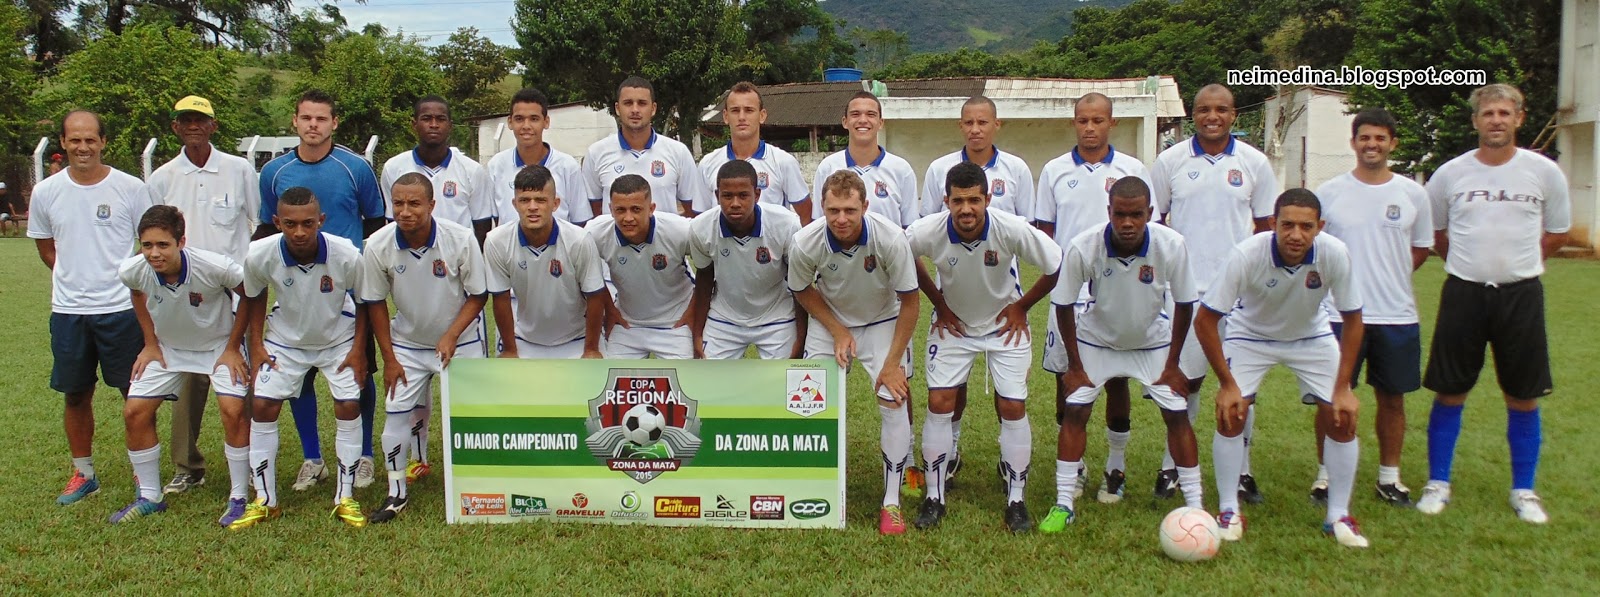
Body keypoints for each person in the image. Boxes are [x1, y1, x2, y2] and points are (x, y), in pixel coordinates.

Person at [1416, 83, 1570, 524]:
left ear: (1519, 118)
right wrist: (1470, 264)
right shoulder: (1451, 174)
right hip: (1464, 292)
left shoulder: (1544, 172)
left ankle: (1524, 490)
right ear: (1476, 121)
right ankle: (1437, 482)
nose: (1496, 120)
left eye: (1504, 113)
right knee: (1450, 389)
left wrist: (1520, 264)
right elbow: (1437, 234)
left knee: (1522, 394)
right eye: (1488, 114)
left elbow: (1557, 233)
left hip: (1521, 295)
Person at [1197, 189, 1368, 547]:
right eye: (1287, 225)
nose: (1296, 235)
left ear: (1320, 227)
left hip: (1311, 336)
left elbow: (1353, 320)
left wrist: (1343, 389)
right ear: (1272, 223)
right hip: (1250, 335)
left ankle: (1338, 515)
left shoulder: (1335, 253)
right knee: (1231, 413)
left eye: (1306, 227)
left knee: (1341, 417)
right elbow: (1205, 320)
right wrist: (1227, 384)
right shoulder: (1247, 254)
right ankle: (1228, 509)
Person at [1042, 177, 1203, 533]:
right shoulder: (1084, 246)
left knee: (1176, 415)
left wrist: (1173, 365)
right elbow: (1064, 304)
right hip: (1096, 340)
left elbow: (1185, 303)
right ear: (1109, 211)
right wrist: (1075, 366)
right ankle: (1064, 504)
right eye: (1120, 215)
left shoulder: (1171, 244)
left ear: (1150, 213)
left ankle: (1196, 507)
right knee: (1076, 410)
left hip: (1151, 343)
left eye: (1136, 215)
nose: (1127, 223)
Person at [906, 161, 1060, 532]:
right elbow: (902, 255)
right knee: (939, 402)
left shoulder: (1011, 228)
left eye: (974, 200)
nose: (966, 209)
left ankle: (1016, 499)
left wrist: (1022, 307)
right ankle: (934, 496)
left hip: (1004, 326)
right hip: (954, 324)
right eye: (958, 201)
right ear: (946, 201)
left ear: (988, 199)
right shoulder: (927, 231)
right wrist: (938, 303)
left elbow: (1055, 264)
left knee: (1013, 405)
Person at [1149, 83, 1279, 503]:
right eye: (1204, 110)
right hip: (1186, 293)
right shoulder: (1170, 161)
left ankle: (1242, 471)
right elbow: (1156, 225)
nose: (1212, 117)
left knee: (1241, 387)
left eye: (1221, 110)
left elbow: (1267, 229)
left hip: (1239, 297)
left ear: (1233, 115)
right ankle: (1172, 466)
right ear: (1193, 115)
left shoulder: (1254, 162)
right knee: (1182, 384)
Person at [257, 89, 386, 493]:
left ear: (334, 123)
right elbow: (266, 226)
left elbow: (375, 223)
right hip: (297, 287)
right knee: (299, 376)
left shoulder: (355, 167)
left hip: (346, 287)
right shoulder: (273, 171)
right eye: (306, 118)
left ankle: (363, 455)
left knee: (358, 372)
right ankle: (312, 458)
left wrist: (358, 271)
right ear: (295, 121)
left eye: (321, 118)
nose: (313, 125)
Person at [1034, 92, 1154, 503]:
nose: (1090, 127)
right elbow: (1046, 237)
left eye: (1098, 120)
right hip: (1069, 294)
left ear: (1111, 123)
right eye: (1083, 120)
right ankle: (1077, 466)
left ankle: (1115, 467)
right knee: (1066, 377)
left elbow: (1149, 230)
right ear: (1074, 122)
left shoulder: (1132, 170)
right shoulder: (1054, 171)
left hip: (1118, 291)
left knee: (1116, 378)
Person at [29, 110, 152, 506]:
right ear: (63, 143)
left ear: (103, 142)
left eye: (90, 139)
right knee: (76, 394)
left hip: (121, 310)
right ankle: (84, 474)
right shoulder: (46, 191)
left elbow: (148, 243)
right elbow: (47, 248)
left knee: (134, 394)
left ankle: (144, 475)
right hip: (69, 311)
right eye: (75, 140)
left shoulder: (130, 188)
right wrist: (77, 279)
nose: (83, 147)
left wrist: (116, 280)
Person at [1310, 108, 1431, 507]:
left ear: (1392, 143)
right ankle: (1326, 476)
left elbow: (1420, 249)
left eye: (1380, 138)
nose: (1372, 144)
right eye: (1364, 137)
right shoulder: (1330, 193)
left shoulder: (1413, 194)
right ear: (1353, 142)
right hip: (1338, 315)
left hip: (1396, 314)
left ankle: (1389, 477)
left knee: (1392, 399)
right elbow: (1316, 249)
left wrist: (1388, 275)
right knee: (1331, 397)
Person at [789, 170, 920, 535]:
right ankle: (818, 487)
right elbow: (801, 289)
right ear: (822, 207)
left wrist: (892, 364)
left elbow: (911, 302)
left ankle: (891, 502)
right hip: (831, 321)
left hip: (883, 320)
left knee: (893, 398)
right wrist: (837, 330)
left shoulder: (891, 238)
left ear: (865, 206)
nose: (841, 219)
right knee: (809, 404)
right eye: (833, 210)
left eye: (849, 210)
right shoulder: (805, 242)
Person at [232, 187, 370, 529]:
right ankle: (266, 501)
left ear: (320, 220)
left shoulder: (346, 254)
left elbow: (365, 301)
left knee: (348, 403)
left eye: (308, 223)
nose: (299, 232)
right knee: (262, 404)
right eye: (290, 224)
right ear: (277, 222)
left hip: (338, 338)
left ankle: (345, 497)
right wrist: (256, 344)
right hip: (285, 340)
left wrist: (358, 350)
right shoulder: (260, 253)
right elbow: (254, 294)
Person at [145, 94, 262, 496]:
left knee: (242, 378)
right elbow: (153, 237)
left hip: (234, 293)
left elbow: (258, 222)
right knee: (187, 383)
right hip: (184, 295)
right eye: (185, 120)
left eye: (200, 120)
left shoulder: (238, 169)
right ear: (175, 127)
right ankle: (187, 465)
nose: (193, 126)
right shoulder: (163, 177)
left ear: (213, 126)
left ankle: (250, 462)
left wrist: (248, 279)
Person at [360, 173, 489, 523]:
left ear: (432, 205)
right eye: (398, 203)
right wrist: (389, 358)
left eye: (414, 203)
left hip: (461, 341)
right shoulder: (377, 244)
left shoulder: (459, 238)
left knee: (470, 414)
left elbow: (478, 294)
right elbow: (375, 303)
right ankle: (396, 492)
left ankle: (473, 481)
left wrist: (451, 335)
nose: (405, 211)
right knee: (395, 413)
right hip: (407, 343)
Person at [113, 206, 251, 524]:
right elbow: (137, 294)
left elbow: (249, 294)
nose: (154, 253)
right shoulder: (133, 270)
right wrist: (150, 343)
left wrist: (233, 347)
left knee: (233, 411)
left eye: (163, 245)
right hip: (169, 350)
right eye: (147, 245)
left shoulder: (216, 267)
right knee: (134, 412)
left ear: (181, 242)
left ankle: (239, 496)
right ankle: (150, 496)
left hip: (218, 346)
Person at [485, 164, 606, 359]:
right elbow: (500, 298)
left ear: (555, 203)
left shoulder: (579, 239)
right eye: (525, 200)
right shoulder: (496, 241)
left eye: (541, 200)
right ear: (515, 204)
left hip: (576, 338)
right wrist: (510, 350)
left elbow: (595, 296)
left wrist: (591, 349)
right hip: (524, 339)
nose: (532, 207)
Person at [688, 160, 805, 360]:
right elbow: (704, 280)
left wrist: (800, 338)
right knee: (709, 377)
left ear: (757, 195)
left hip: (777, 316)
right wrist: (697, 334)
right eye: (727, 196)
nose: (735, 203)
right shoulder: (700, 227)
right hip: (724, 318)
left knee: (783, 378)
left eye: (743, 195)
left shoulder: (786, 224)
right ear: (717, 196)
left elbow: (798, 282)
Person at [585, 174, 697, 359]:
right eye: (620, 210)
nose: (628, 218)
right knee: (612, 375)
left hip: (676, 322)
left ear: (651, 208)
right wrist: (610, 309)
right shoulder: (595, 232)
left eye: (636, 209)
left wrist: (693, 311)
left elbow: (711, 264)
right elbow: (585, 273)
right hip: (627, 322)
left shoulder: (680, 230)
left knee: (683, 377)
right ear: (610, 209)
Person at [583, 76, 710, 218]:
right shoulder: (596, 153)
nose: (635, 110)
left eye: (642, 103)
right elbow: (594, 212)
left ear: (653, 108)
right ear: (617, 108)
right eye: (628, 103)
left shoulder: (678, 152)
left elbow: (692, 210)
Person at [381, 95, 494, 245]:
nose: (434, 125)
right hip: (410, 254)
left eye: (441, 119)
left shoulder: (472, 170)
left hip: (457, 255)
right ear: (414, 124)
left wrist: (471, 257)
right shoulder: (393, 168)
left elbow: (481, 224)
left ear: (450, 125)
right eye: (426, 118)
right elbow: (392, 221)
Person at [698, 82, 814, 225]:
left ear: (762, 115)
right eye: (735, 110)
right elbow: (701, 218)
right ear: (726, 116)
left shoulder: (783, 162)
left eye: (749, 110)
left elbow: (806, 214)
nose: (741, 117)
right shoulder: (707, 164)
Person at [487, 88, 596, 226]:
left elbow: (580, 221)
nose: (526, 126)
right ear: (510, 122)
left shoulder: (567, 166)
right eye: (519, 119)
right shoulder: (496, 165)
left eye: (534, 119)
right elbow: (496, 220)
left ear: (546, 122)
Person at [812, 91, 919, 228]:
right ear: (845, 122)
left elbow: (909, 227)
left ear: (880, 123)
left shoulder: (901, 169)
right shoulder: (827, 167)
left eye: (871, 114)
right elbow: (819, 223)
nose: (863, 120)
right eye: (855, 114)